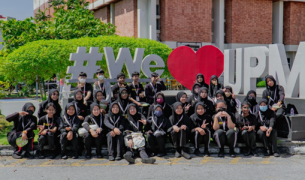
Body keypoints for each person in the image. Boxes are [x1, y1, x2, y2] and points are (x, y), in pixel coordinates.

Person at [72, 89, 88, 156]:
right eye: (77, 94)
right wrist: (77, 116)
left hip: (82, 124)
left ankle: (83, 149)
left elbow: (86, 116)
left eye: (80, 94)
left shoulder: (84, 105)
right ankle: (76, 151)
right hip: (74, 123)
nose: (79, 96)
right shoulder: (72, 104)